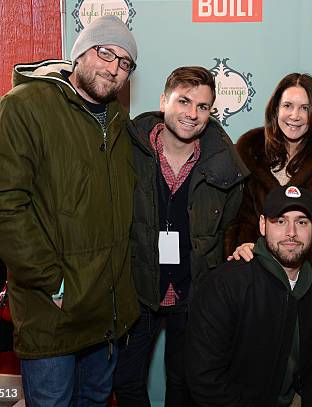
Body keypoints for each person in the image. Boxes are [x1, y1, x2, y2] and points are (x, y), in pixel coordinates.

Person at [0, 15, 139, 406]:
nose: (114, 68)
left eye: (125, 63)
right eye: (105, 53)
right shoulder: (23, 106)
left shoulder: (117, 119)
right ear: (80, 51)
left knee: (95, 399)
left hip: (106, 311)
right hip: (53, 310)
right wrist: (53, 282)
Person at [112, 66, 249, 407]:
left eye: (203, 107)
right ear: (164, 100)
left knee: (185, 383)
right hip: (137, 288)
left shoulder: (225, 164)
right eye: (184, 101)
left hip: (193, 291)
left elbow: (231, 224)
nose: (192, 114)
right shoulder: (127, 150)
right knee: (127, 381)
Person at [186, 185, 312, 406]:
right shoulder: (227, 283)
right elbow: (204, 377)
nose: (291, 233)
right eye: (280, 221)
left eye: (301, 222)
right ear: (262, 225)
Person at [224, 73, 312, 256]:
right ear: (276, 110)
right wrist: (243, 244)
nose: (294, 116)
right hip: (261, 268)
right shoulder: (249, 151)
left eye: (304, 108)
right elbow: (238, 216)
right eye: (287, 106)